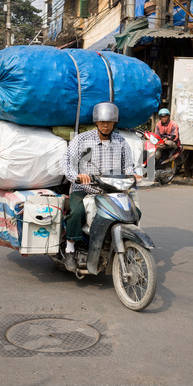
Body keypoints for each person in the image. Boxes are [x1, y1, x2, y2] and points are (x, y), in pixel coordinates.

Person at [62, 101, 141, 272]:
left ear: (115, 123)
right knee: (77, 212)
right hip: (84, 189)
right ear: (96, 122)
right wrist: (77, 176)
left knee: (134, 211)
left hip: (111, 189)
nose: (105, 125)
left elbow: (128, 165)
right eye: (102, 122)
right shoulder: (82, 140)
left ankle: (129, 243)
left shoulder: (120, 141)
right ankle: (70, 249)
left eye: (109, 122)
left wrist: (133, 174)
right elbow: (67, 163)